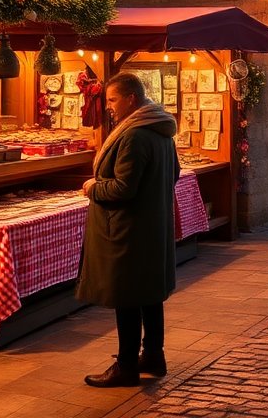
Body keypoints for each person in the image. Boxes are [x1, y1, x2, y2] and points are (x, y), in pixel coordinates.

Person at [78, 72, 179, 387]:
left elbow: (123, 188)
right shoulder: (159, 130)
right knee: (149, 295)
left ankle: (126, 366)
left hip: (127, 231)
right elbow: (174, 173)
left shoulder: (135, 135)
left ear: (131, 99)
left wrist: (94, 187)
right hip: (150, 227)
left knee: (127, 298)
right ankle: (152, 356)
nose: (108, 107)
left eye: (112, 100)